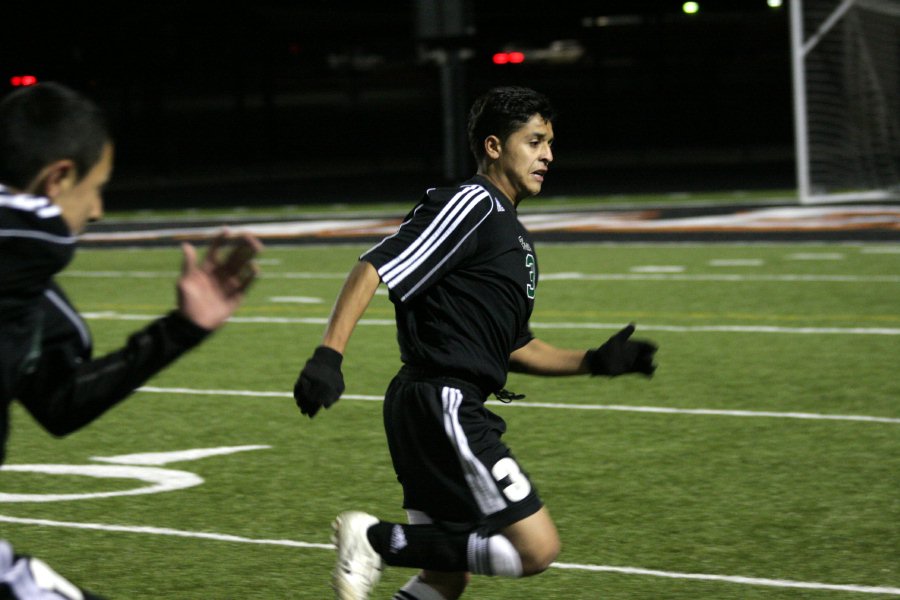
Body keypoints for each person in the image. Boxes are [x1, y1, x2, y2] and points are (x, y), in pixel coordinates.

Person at [293, 86, 658, 600]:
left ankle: (384, 543)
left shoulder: (513, 234)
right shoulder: (473, 204)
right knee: (535, 549)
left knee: (444, 577)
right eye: (534, 142)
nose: (548, 155)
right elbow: (374, 264)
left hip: (435, 405)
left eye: (549, 143)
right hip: (443, 402)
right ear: (493, 147)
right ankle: (377, 540)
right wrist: (328, 356)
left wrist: (595, 361)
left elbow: (512, 346)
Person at [0, 82, 263, 598]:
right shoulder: (32, 245)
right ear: (58, 178)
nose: (96, 211)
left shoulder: (29, 294)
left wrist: (179, 332)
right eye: (96, 187)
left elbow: (60, 401)